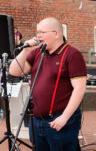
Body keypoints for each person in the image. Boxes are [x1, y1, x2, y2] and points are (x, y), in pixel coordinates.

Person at [9, 17, 87, 151]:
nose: (38, 36)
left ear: (56, 33)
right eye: (37, 32)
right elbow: (14, 71)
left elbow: (79, 88)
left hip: (59, 119)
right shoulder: (38, 52)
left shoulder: (72, 54)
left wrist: (65, 117)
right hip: (36, 120)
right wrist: (26, 50)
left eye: (42, 32)